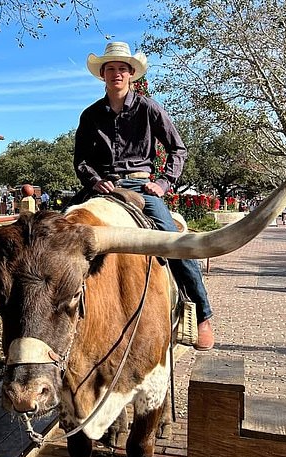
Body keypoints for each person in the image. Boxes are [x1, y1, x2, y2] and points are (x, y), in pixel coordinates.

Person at [73, 41, 214, 350]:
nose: (116, 74)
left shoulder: (149, 108)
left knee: (174, 242)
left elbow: (177, 149)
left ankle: (202, 314)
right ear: (103, 75)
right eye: (110, 69)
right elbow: (81, 160)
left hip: (140, 186)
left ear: (132, 74)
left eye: (122, 68)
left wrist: (163, 184)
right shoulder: (90, 115)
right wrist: (95, 181)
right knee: (60, 237)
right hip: (103, 187)